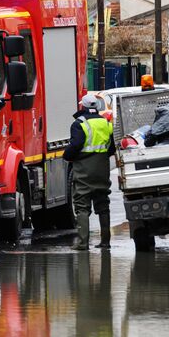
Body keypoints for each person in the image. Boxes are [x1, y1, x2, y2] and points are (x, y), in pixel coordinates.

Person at [63, 93, 116, 251]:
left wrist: (67, 156)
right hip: (102, 169)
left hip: (84, 170)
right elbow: (111, 148)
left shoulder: (80, 123)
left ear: (83, 106)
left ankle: (82, 242)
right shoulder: (105, 123)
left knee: (82, 205)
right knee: (103, 204)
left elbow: (76, 145)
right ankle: (105, 241)